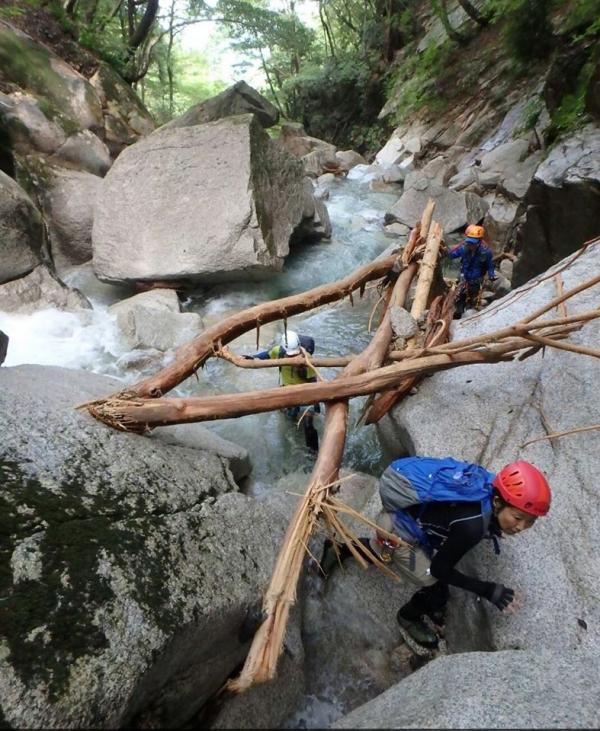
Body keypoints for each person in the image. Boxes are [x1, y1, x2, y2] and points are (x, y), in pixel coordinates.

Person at [318, 456, 551, 654]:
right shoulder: (472, 527)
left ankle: (340, 549)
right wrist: (488, 590)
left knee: (404, 563)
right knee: (432, 582)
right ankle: (408, 616)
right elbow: (440, 569)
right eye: (517, 518)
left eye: (529, 521)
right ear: (498, 502)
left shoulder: (490, 485)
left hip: (411, 506)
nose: (521, 527)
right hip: (400, 528)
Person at [244, 330, 321, 452]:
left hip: (305, 393)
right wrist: (253, 357)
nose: (292, 357)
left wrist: (315, 403)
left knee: (308, 425)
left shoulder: (307, 358)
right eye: (290, 355)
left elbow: (313, 381)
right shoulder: (279, 351)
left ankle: (314, 454)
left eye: (294, 354)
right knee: (289, 422)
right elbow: (267, 355)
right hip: (286, 392)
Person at [447, 224, 496, 317]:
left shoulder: (486, 252)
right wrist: (445, 251)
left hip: (476, 280)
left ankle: (471, 313)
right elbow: (451, 255)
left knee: (473, 299)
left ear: (479, 241)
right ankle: (458, 313)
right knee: (459, 297)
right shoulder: (464, 248)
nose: (471, 245)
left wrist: (491, 274)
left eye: (473, 243)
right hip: (464, 278)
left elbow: (490, 265)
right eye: (469, 242)